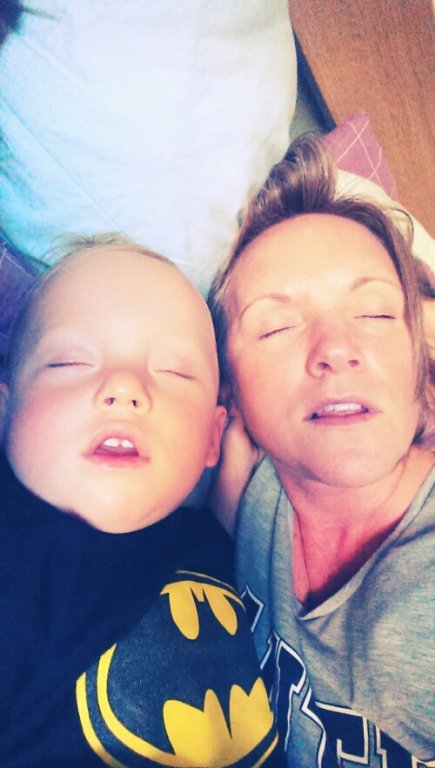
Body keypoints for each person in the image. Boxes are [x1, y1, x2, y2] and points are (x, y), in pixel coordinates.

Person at [0, 236, 285, 767]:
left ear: (212, 436)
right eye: (69, 362)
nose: (125, 388)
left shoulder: (213, 537)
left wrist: (232, 482)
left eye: (175, 372)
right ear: (5, 409)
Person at [207, 136, 435, 767]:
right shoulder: (248, 497)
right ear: (231, 390)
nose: (336, 347)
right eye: (276, 326)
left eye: (377, 315)